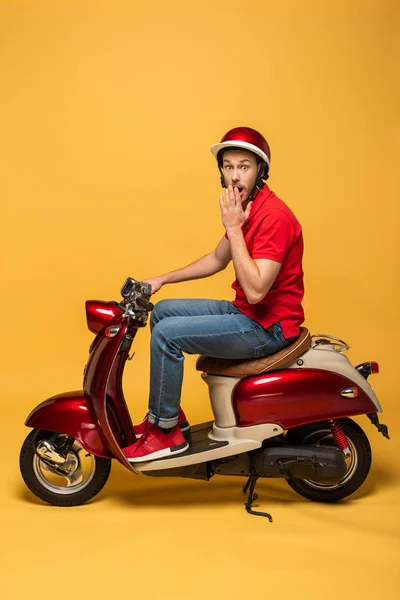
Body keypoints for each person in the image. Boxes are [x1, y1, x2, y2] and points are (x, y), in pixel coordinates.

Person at [122, 126, 305, 462]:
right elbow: (218, 259)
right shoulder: (248, 205)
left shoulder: (273, 216)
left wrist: (234, 228)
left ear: (260, 170)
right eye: (228, 166)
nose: (235, 176)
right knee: (161, 312)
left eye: (244, 167)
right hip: (246, 314)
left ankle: (165, 433)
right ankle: (170, 414)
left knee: (166, 336)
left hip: (268, 327)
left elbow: (255, 291)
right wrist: (161, 278)